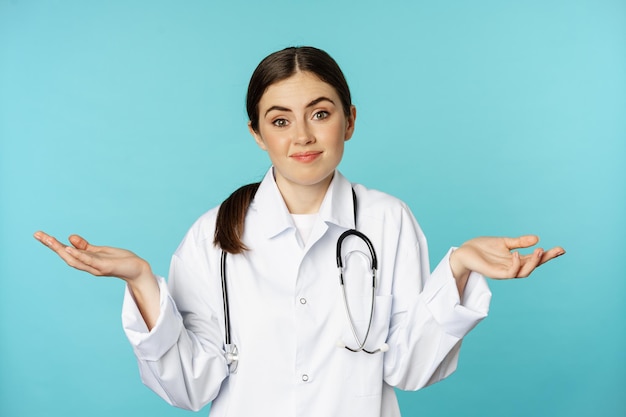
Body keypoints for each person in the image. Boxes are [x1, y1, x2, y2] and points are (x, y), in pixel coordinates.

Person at [33, 46, 565, 417]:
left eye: (321, 113)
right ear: (257, 134)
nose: (303, 136)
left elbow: (408, 368)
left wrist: (459, 267)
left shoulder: (387, 220)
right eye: (280, 119)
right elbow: (190, 387)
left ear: (349, 121)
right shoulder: (213, 235)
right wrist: (142, 280)